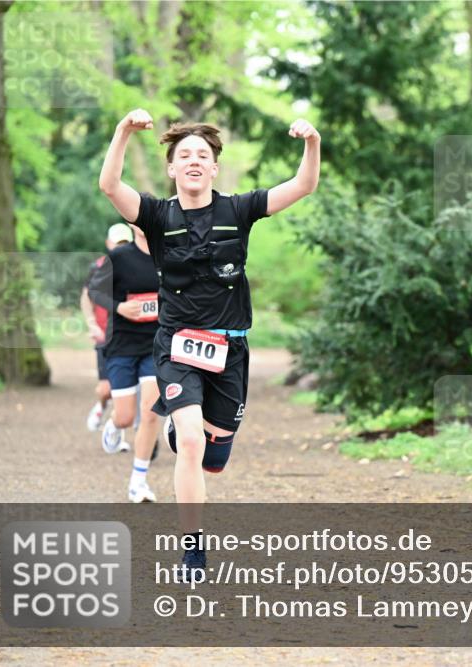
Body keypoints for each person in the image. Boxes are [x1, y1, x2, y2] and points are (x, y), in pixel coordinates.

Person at [98, 109, 320, 576]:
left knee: (213, 457)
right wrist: (122, 132)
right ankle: (193, 549)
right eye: (185, 155)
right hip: (177, 346)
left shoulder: (237, 210)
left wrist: (311, 142)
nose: (194, 161)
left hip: (230, 349)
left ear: (214, 167)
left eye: (203, 154)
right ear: (172, 168)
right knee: (193, 445)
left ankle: (191, 429)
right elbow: (110, 186)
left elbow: (302, 185)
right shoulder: (157, 215)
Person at [87, 223, 162, 502]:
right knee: (126, 416)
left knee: (152, 413)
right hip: (121, 346)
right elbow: (94, 291)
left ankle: (138, 482)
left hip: (155, 345)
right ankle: (114, 424)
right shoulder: (119, 258)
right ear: (133, 223)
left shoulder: (168, 255)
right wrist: (119, 307)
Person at [81, 223, 133, 451]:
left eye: (124, 242)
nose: (120, 247)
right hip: (104, 334)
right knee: (106, 389)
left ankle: (118, 438)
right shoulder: (99, 267)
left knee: (126, 390)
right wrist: (92, 324)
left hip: (129, 335)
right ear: (108, 243)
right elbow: (86, 297)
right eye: (116, 242)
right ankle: (101, 406)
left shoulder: (137, 264)